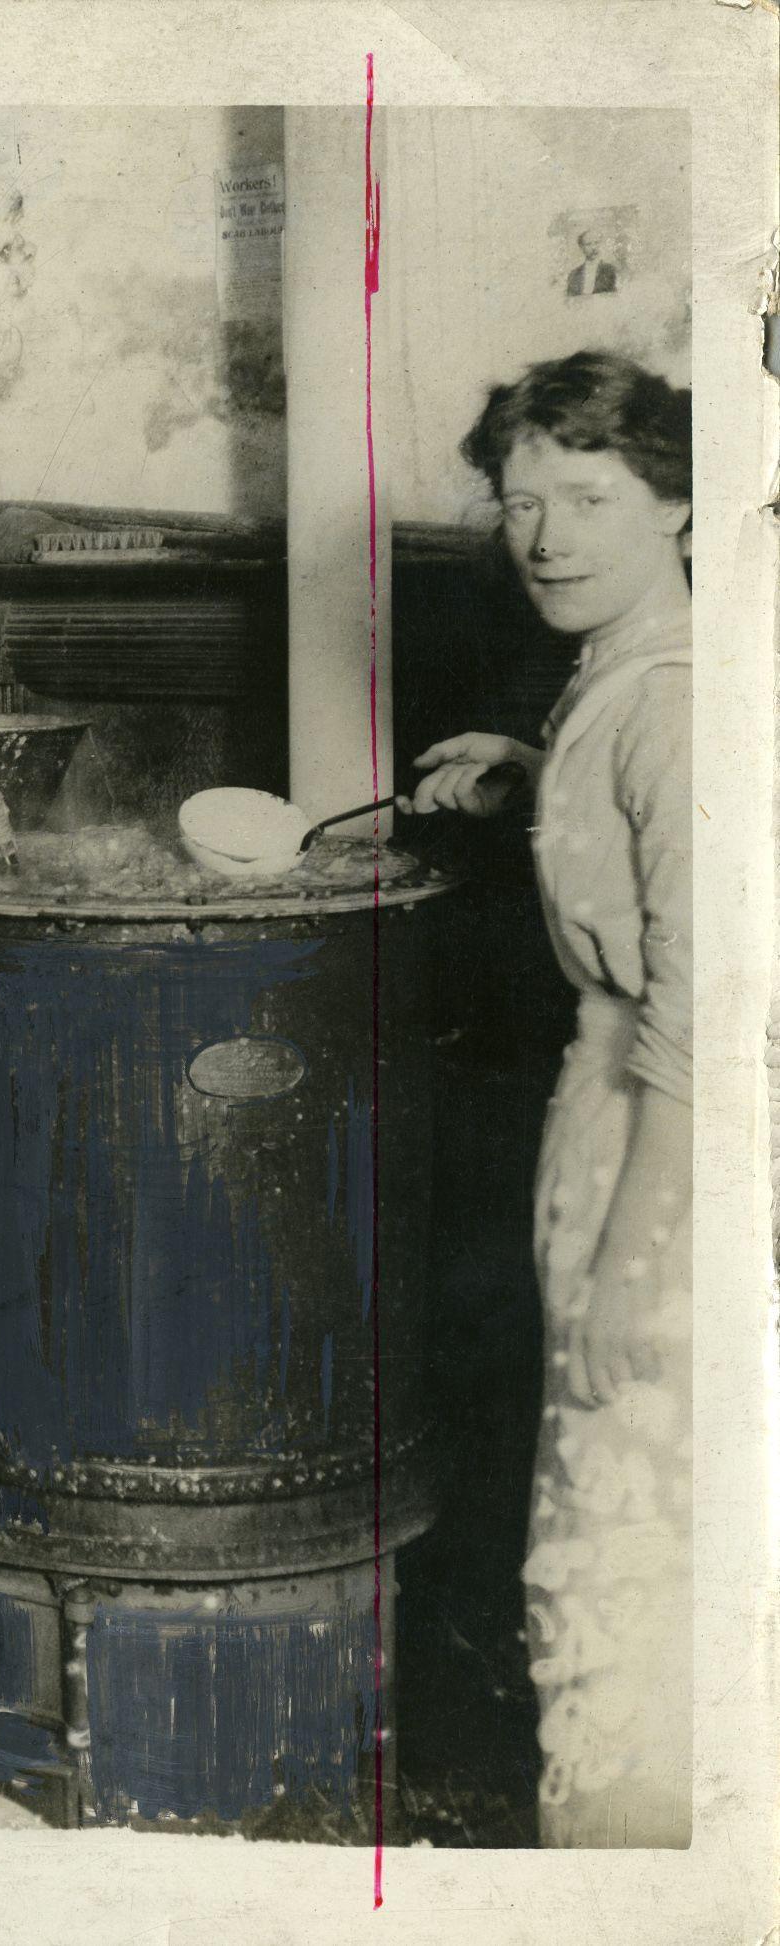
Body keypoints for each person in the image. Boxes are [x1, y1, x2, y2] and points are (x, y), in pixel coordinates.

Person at [402, 349, 691, 1847]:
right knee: (603, 1526)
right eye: (518, 503)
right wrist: (534, 777)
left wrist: (633, 1275)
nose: (544, 535)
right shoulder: (619, 677)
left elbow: (700, 1032)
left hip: (660, 1156)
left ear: (682, 502)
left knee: (623, 1564)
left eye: (587, 497)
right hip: (611, 1126)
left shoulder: (669, 706)